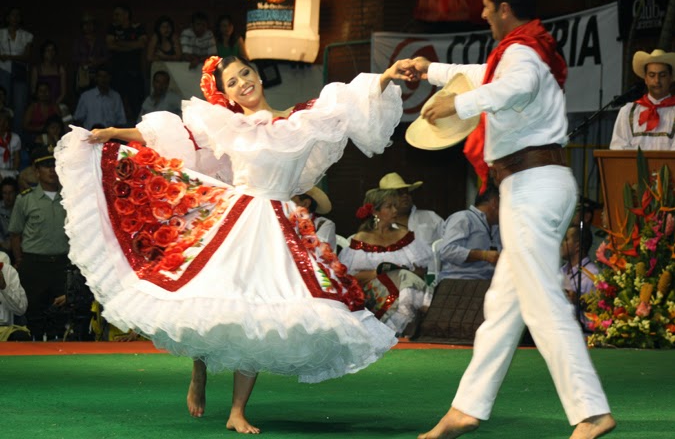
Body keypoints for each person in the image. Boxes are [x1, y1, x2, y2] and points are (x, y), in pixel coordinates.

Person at [54, 54, 409, 433]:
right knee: (210, 298)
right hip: (234, 219)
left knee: (257, 314)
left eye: (246, 73)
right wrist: (114, 134)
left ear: (257, 75)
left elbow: (351, 101)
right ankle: (199, 369)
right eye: (232, 82)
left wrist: (386, 75)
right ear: (225, 93)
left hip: (278, 229)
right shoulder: (227, 125)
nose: (243, 82)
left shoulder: (301, 121)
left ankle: (238, 411)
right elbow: (174, 139)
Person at [407, 0, 615, 438]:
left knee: (541, 302)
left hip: (533, 185)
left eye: (485, 5)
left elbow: (510, 88)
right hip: (532, 183)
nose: (481, 13)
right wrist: (431, 72)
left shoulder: (521, 55)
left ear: (504, 9)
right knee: (503, 305)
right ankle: (467, 407)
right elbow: (486, 75)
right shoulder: (520, 50)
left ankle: (591, 411)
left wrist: (457, 104)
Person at [338, 188, 432, 336]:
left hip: (405, 288)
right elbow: (351, 279)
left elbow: (421, 270)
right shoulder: (362, 238)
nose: (395, 210)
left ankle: (401, 331)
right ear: (375, 212)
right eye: (389, 206)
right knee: (403, 280)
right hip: (373, 292)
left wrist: (400, 274)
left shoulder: (405, 235)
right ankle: (429, 310)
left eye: (395, 206)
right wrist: (380, 273)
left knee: (404, 279)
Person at [9, 145, 68, 341]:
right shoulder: (24, 200)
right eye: (46, 166)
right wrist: (19, 260)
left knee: (61, 318)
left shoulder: (70, 198)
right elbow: (15, 234)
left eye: (55, 165)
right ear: (36, 171)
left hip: (62, 264)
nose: (52, 170)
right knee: (34, 316)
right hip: (34, 264)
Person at [610, 49, 675, 151]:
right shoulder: (627, 112)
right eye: (652, 75)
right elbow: (618, 149)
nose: (657, 81)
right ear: (645, 78)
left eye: (662, 75)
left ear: (670, 78)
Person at [379, 172, 443, 270]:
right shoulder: (379, 227)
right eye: (399, 193)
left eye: (406, 192)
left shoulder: (430, 217)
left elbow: (450, 246)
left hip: (435, 278)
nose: (405, 196)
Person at [437, 182, 501, 282]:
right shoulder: (463, 218)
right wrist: (483, 255)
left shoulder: (496, 227)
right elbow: (447, 251)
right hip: (458, 283)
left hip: (487, 283)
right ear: (495, 202)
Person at [106, 4, 147, 124]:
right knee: (116, 105)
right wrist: (132, 45)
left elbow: (141, 44)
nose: (115, 17)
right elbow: (110, 45)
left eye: (117, 14)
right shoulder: (112, 28)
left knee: (136, 105)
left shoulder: (138, 27)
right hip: (117, 73)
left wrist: (119, 44)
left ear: (126, 15)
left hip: (134, 73)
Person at [0, 7, 33, 132]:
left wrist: (7, 57)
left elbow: (26, 56)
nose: (15, 18)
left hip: (20, 72)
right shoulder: (1, 33)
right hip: (3, 71)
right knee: (4, 103)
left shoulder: (27, 35)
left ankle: (17, 136)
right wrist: (15, 58)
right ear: (7, 18)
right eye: (12, 15)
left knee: (19, 106)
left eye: (17, 15)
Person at [560, 224, 598, 330]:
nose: (562, 244)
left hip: (584, 336)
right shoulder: (560, 271)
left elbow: (601, 310)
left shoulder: (593, 275)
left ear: (577, 246)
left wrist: (580, 301)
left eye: (566, 239)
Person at [73, 66, 126, 130]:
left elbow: (121, 121)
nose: (103, 79)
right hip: (90, 135)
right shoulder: (86, 96)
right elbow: (78, 119)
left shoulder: (116, 97)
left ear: (110, 78)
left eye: (105, 76)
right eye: (100, 76)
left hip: (110, 136)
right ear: (96, 78)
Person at [72, 13, 109, 96]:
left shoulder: (100, 40)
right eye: (85, 24)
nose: (88, 26)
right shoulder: (78, 41)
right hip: (83, 75)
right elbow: (74, 58)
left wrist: (97, 61)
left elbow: (107, 57)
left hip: (98, 75)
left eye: (90, 23)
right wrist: (86, 60)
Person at [291, 185, 336, 250]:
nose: (287, 204)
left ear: (306, 203)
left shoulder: (324, 224)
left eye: (291, 201)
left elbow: (317, 251)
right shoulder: (285, 221)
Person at [0, 250, 31, 341]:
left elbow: (20, 309)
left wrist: (4, 287)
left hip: (5, 329)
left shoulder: (7, 269)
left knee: (20, 336)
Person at [30, 40, 67, 106]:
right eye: (48, 50)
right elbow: (33, 91)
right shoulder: (37, 69)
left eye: (53, 50)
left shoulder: (60, 69)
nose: (51, 52)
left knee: (67, 115)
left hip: (57, 103)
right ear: (43, 52)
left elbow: (63, 93)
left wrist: (55, 104)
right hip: (41, 104)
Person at [0, 176, 18, 256]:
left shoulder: (21, 207)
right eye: (5, 193)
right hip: (3, 244)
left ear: (15, 193)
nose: (7, 197)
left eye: (10, 193)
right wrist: (1, 242)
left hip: (19, 243)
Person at [0, 110, 21, 178]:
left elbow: (17, 159)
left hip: (10, 171)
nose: (3, 123)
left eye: (6, 121)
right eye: (1, 120)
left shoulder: (15, 138)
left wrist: (13, 170)